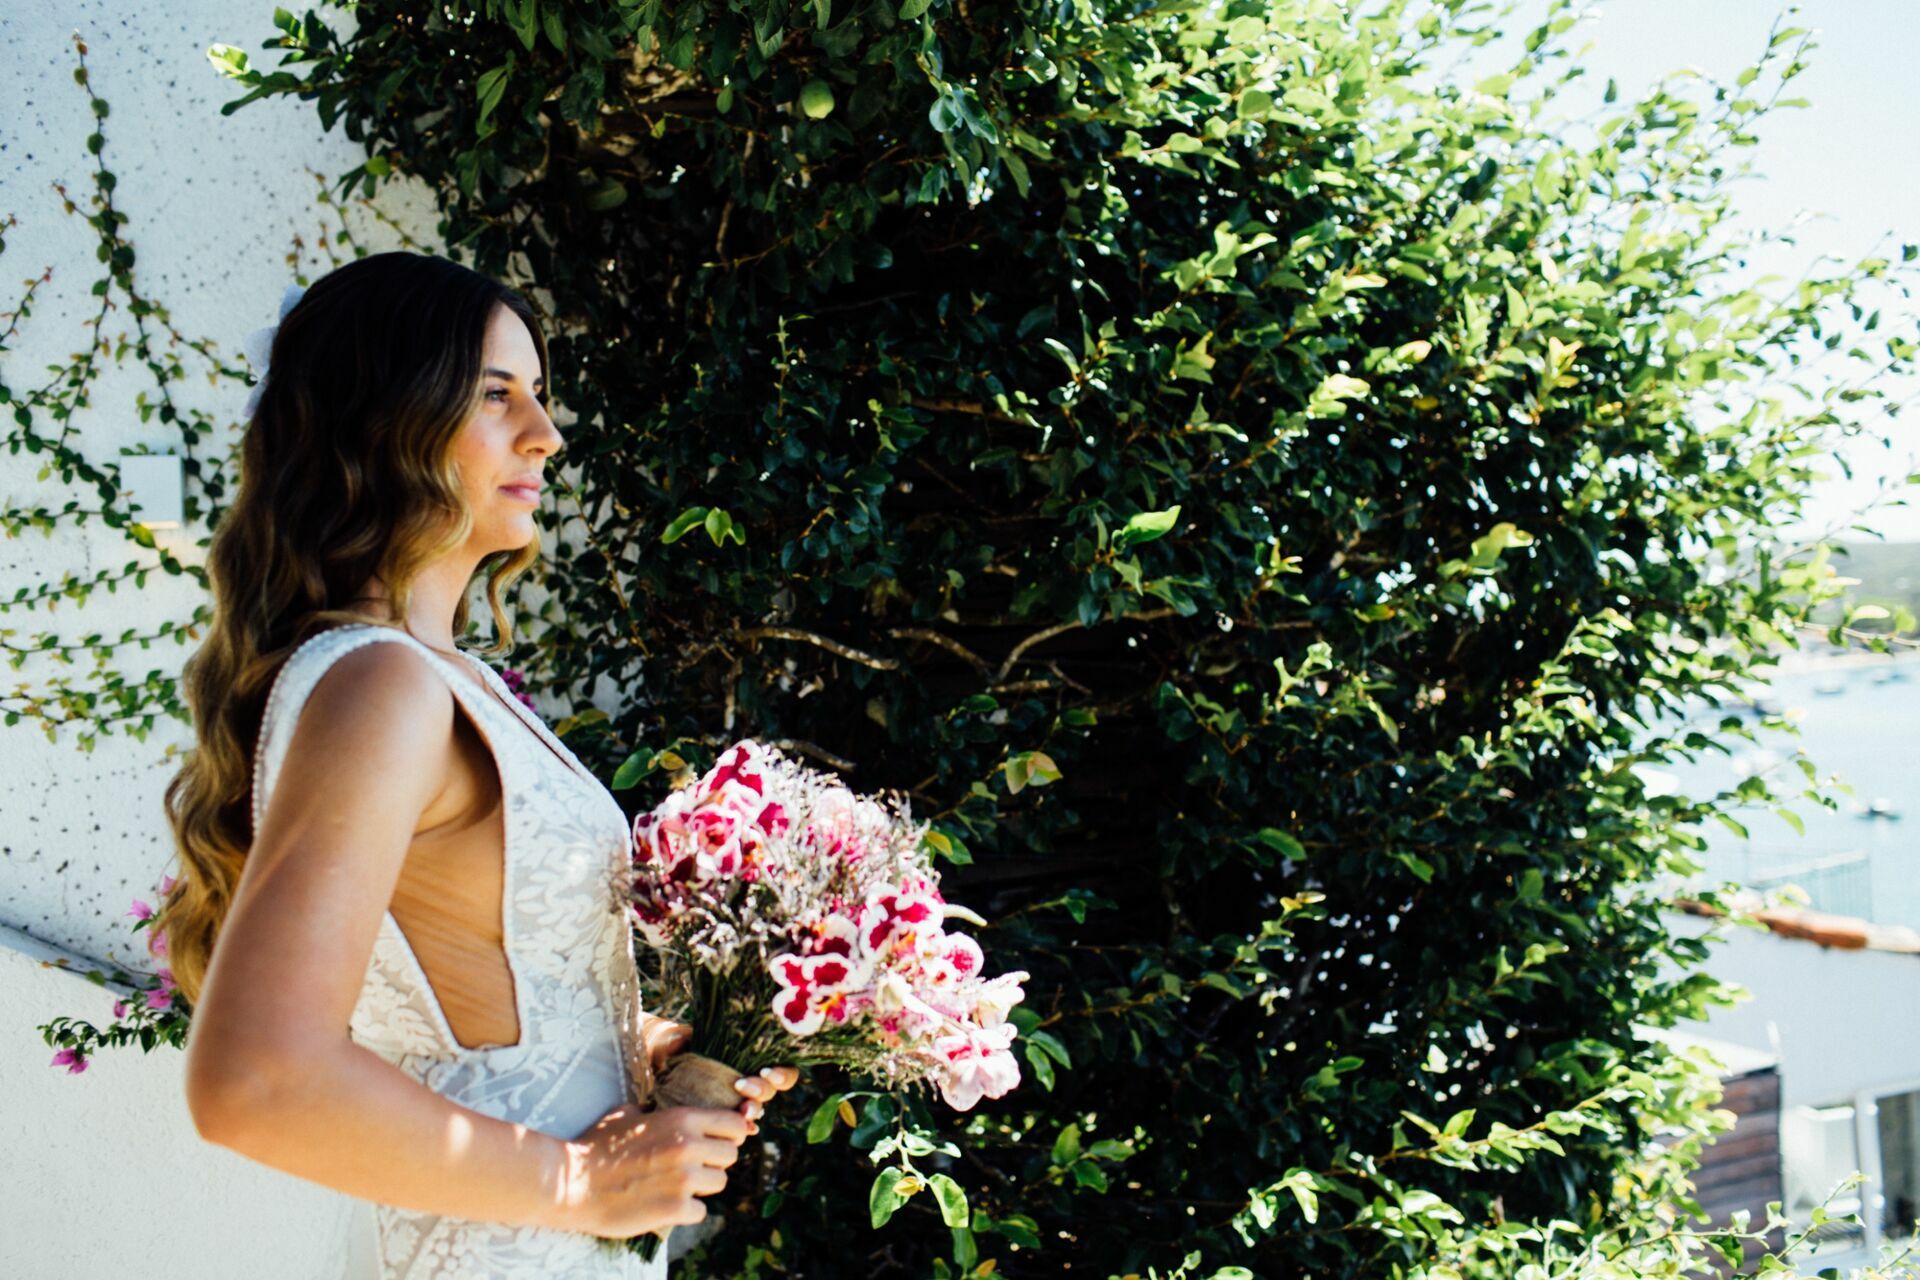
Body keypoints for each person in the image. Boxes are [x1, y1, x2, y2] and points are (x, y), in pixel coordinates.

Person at [157, 250, 797, 1276]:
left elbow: (479, 1006)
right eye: (495, 396)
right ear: (384, 419)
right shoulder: (381, 686)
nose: (543, 434)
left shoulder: (437, 679)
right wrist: (576, 1180)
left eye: (538, 396)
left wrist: (629, 1051)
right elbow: (256, 1077)